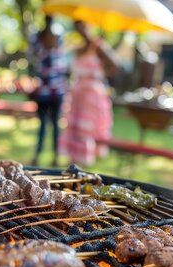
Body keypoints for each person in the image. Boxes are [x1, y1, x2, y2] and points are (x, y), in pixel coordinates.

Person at [63, 21, 118, 167]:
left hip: (91, 96)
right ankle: (73, 164)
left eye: (82, 25)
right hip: (78, 95)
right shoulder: (78, 48)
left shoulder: (98, 45)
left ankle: (85, 163)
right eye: (77, 25)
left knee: (86, 130)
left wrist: (98, 76)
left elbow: (114, 65)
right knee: (75, 130)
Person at [29, 16, 68, 167]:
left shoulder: (58, 35)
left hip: (57, 89)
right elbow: (33, 54)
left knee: (55, 124)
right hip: (44, 91)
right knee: (43, 125)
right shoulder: (38, 37)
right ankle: (38, 154)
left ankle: (56, 156)